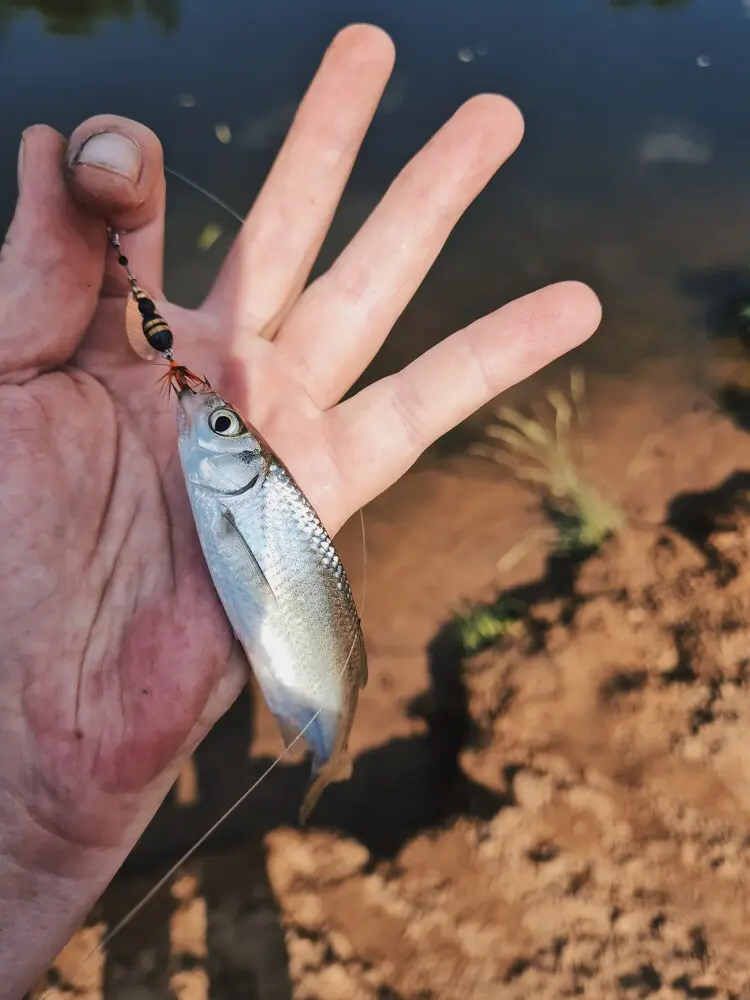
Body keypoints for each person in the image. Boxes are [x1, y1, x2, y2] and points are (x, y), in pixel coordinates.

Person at [0, 23, 601, 998]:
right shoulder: (192, 465)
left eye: (226, 426)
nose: (210, 419)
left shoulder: (215, 470)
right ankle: (319, 752)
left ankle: (322, 757)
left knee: (313, 697)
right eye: (225, 422)